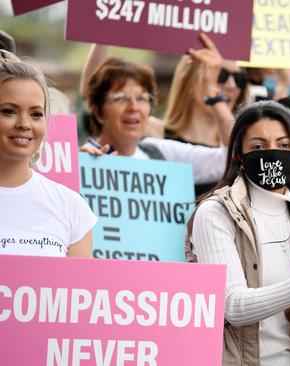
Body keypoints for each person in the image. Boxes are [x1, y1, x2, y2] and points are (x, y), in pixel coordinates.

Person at [185, 101, 290, 365]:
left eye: (283, 144)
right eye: (258, 146)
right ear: (238, 156)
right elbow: (232, 306)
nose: (273, 154)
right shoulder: (216, 213)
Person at [0, 50, 95, 258]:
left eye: (36, 114)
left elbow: (80, 289)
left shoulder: (71, 207)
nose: (24, 124)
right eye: (9, 111)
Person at [80, 56, 227, 187]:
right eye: (121, 98)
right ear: (99, 112)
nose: (134, 107)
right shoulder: (81, 161)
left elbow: (227, 159)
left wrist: (213, 94)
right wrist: (79, 169)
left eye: (142, 98)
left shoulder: (160, 153)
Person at [163, 34, 245, 195]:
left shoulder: (239, 142)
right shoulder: (154, 133)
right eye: (220, 75)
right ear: (190, 81)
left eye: (239, 78)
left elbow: (237, 146)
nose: (232, 85)